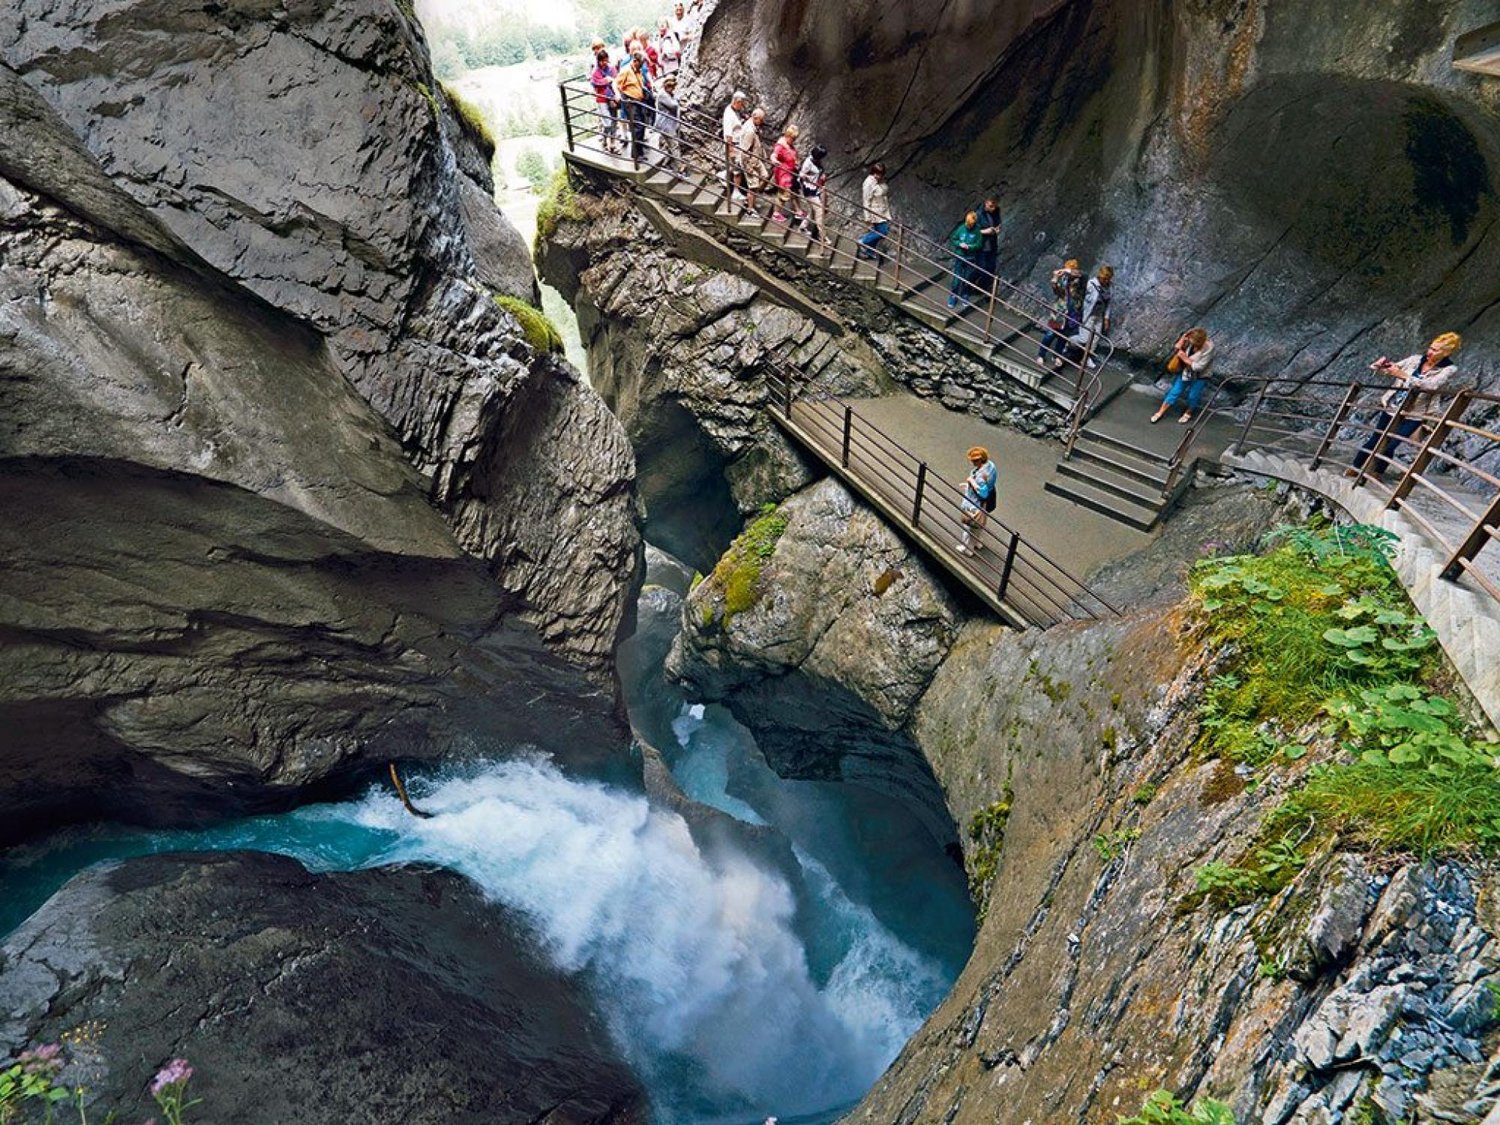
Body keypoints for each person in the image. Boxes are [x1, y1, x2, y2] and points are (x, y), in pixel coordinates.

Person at [1347, 332, 1462, 480]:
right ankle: (1356, 467)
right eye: (1430, 348)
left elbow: (1432, 385)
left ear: (1447, 352)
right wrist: (1382, 366)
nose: (1430, 352)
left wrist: (1404, 376)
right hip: (1394, 405)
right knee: (1376, 438)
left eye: (1435, 350)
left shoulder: (1449, 369)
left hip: (1415, 413)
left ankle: (1377, 472)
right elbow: (1395, 368)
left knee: (1391, 444)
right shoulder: (1415, 359)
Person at [1150, 328, 1215, 423]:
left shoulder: (1209, 348)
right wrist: (1181, 341)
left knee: (1193, 396)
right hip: (1186, 372)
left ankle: (1188, 412)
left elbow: (1198, 367)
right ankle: (1160, 412)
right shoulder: (1188, 341)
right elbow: (1177, 349)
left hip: (1200, 376)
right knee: (1174, 391)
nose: (1191, 343)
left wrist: (1184, 358)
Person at [1037, 259, 1084, 368]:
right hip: (1059, 312)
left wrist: (1067, 271)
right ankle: (1041, 354)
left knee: (1063, 337)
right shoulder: (1063, 280)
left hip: (1071, 313)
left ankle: (1057, 355)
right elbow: (1056, 290)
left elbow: (1080, 274)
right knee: (1050, 334)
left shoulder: (1079, 280)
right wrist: (1055, 278)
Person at [957, 446, 997, 555]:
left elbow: (982, 493)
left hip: (975, 502)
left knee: (969, 525)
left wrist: (971, 482)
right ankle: (977, 543)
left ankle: (967, 549)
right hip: (987, 501)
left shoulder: (979, 476)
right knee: (980, 522)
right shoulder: (991, 466)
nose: (973, 463)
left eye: (974, 460)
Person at [1069, 264, 1113, 366]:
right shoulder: (1091, 284)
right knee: (1084, 338)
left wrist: (1106, 318)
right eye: (1104, 279)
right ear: (1100, 276)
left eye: (1108, 279)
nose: (1106, 281)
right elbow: (1081, 295)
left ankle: (1086, 358)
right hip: (1089, 314)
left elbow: (1109, 303)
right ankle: (1069, 340)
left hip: (1099, 315)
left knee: (1095, 339)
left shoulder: (1110, 287)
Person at [613, 52, 649, 161]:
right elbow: (615, 83)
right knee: (637, 126)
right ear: (635, 61)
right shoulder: (626, 70)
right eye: (640, 64)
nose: (641, 66)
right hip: (630, 101)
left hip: (638, 101)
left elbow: (639, 83)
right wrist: (618, 95)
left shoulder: (637, 71)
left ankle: (640, 152)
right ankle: (636, 155)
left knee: (641, 125)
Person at [947, 211, 983, 309]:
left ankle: (965, 294)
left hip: (970, 258)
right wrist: (959, 244)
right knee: (957, 277)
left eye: (971, 224)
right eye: (968, 224)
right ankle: (953, 295)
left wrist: (970, 247)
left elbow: (979, 244)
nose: (969, 226)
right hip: (960, 256)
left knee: (967, 277)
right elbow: (954, 238)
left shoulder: (977, 231)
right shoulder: (961, 228)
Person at [587, 48, 620, 155]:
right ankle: (605, 138)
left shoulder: (611, 69)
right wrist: (606, 80)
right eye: (602, 61)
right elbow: (595, 83)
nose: (604, 63)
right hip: (602, 99)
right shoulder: (596, 72)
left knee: (614, 121)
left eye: (606, 60)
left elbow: (615, 80)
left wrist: (608, 82)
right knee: (607, 123)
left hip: (612, 98)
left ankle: (612, 144)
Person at [856, 163, 890, 261]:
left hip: (882, 211)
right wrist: (867, 217)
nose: (878, 176)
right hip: (875, 212)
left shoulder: (880, 181)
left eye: (880, 174)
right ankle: (863, 241)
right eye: (876, 173)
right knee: (883, 232)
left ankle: (870, 252)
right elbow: (866, 200)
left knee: (877, 232)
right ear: (873, 172)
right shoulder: (868, 183)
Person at [736, 108, 768, 213]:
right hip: (749, 162)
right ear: (756, 118)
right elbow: (744, 151)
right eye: (761, 119)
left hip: (756, 159)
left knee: (765, 176)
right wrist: (748, 167)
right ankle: (750, 209)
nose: (763, 122)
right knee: (753, 186)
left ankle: (750, 199)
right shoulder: (750, 131)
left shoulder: (754, 126)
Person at [798, 143, 828, 246]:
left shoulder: (817, 161)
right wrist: (807, 178)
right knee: (819, 212)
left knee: (813, 211)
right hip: (809, 190)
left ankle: (803, 227)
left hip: (816, 188)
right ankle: (822, 237)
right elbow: (801, 175)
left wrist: (822, 176)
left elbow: (820, 170)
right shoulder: (808, 163)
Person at [770, 125, 802, 223]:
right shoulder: (780, 145)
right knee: (784, 195)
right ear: (788, 136)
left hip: (790, 173)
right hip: (784, 174)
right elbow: (773, 155)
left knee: (794, 192)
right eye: (793, 138)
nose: (794, 140)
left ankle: (798, 211)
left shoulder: (789, 144)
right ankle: (776, 213)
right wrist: (774, 160)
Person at [722, 90, 748, 196]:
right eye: (741, 104)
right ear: (737, 102)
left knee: (734, 167)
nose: (742, 106)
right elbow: (728, 133)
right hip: (733, 143)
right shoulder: (729, 114)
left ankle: (723, 175)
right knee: (737, 169)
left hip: (738, 142)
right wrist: (731, 149)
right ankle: (736, 192)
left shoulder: (734, 110)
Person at [654, 74, 681, 172]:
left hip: (669, 123)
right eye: (671, 87)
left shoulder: (667, 94)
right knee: (674, 145)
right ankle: (680, 168)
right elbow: (674, 105)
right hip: (665, 124)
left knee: (669, 144)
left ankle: (665, 163)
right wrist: (677, 100)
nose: (672, 89)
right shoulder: (663, 95)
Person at [975, 197, 1002, 289]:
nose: (993, 209)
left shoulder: (996, 212)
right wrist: (985, 231)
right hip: (981, 245)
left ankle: (983, 287)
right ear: (986, 203)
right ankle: (975, 286)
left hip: (992, 244)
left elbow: (998, 222)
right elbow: (973, 230)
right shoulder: (978, 214)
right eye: (991, 206)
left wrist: (997, 228)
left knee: (991, 267)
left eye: (994, 206)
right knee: (981, 268)